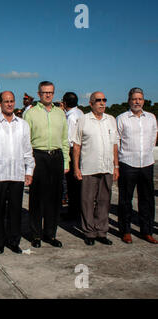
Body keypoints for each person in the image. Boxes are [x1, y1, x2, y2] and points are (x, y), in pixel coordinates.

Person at [0, 91, 35, 254]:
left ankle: (14, 241)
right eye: (6, 101)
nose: (9, 104)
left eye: (12, 101)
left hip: (17, 175)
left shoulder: (23, 125)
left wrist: (29, 170)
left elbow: (27, 150)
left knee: (15, 211)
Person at [23, 81, 69, 248]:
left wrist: (66, 161)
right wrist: (28, 164)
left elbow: (65, 139)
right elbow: (26, 141)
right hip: (38, 156)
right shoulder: (31, 113)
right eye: (44, 92)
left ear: (54, 93)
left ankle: (50, 234)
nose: (48, 95)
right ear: (39, 93)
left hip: (56, 157)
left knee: (55, 198)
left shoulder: (60, 114)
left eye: (50, 92)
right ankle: (35, 235)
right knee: (37, 198)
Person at [72, 91, 119, 246]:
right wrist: (76, 168)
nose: (102, 103)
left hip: (107, 167)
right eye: (98, 100)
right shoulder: (83, 120)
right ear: (91, 103)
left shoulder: (111, 120)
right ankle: (89, 232)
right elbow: (77, 146)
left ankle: (101, 231)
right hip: (89, 168)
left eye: (104, 100)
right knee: (87, 201)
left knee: (104, 201)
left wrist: (116, 166)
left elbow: (114, 145)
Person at [117, 88, 158, 244]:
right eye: (134, 99)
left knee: (147, 200)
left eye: (140, 99)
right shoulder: (122, 118)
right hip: (128, 163)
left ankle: (147, 231)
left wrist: (146, 152)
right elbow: (117, 140)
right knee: (125, 200)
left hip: (146, 163)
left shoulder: (151, 118)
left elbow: (154, 136)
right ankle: (125, 231)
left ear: (143, 100)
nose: (137, 102)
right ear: (129, 100)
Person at [63, 92, 84, 220]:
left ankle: (73, 212)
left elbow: (69, 138)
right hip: (81, 150)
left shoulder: (70, 117)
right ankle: (77, 209)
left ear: (65, 103)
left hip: (72, 150)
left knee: (72, 184)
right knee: (77, 184)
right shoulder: (80, 113)